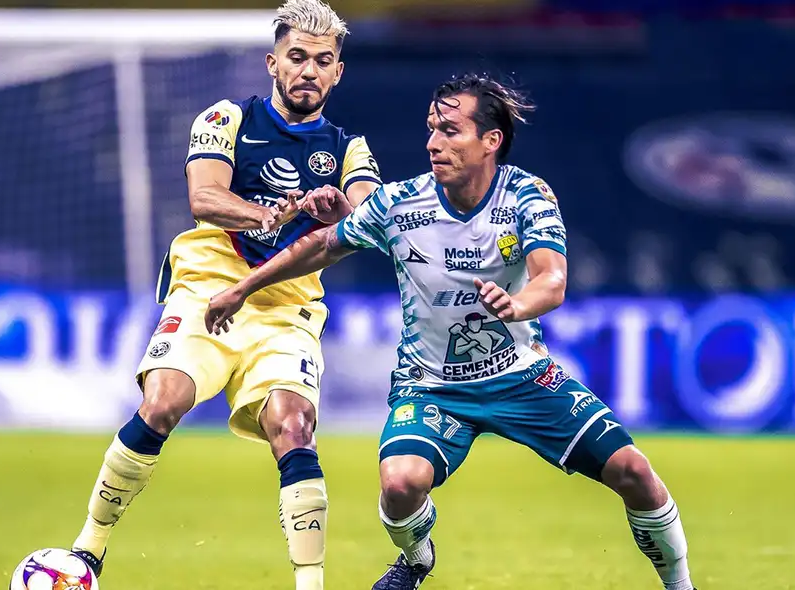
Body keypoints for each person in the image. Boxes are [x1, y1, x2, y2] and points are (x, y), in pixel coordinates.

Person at [205, 73, 697, 590]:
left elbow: (551, 280)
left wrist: (516, 303)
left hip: (521, 376)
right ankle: (417, 559)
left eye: (450, 131)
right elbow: (323, 244)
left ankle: (681, 585)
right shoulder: (400, 204)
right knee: (399, 485)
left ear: (491, 141)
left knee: (635, 473)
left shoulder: (527, 195)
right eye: (430, 129)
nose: (433, 143)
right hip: (432, 385)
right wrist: (243, 287)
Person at [69, 2, 382, 589]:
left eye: (322, 61)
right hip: (207, 291)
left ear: (337, 72)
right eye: (296, 58)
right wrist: (272, 214)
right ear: (272, 63)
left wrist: (342, 211)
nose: (308, 71)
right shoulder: (226, 118)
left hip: (286, 312)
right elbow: (205, 198)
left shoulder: (349, 147)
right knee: (164, 400)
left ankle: (310, 585)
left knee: (294, 426)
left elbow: (368, 212)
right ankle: (88, 550)